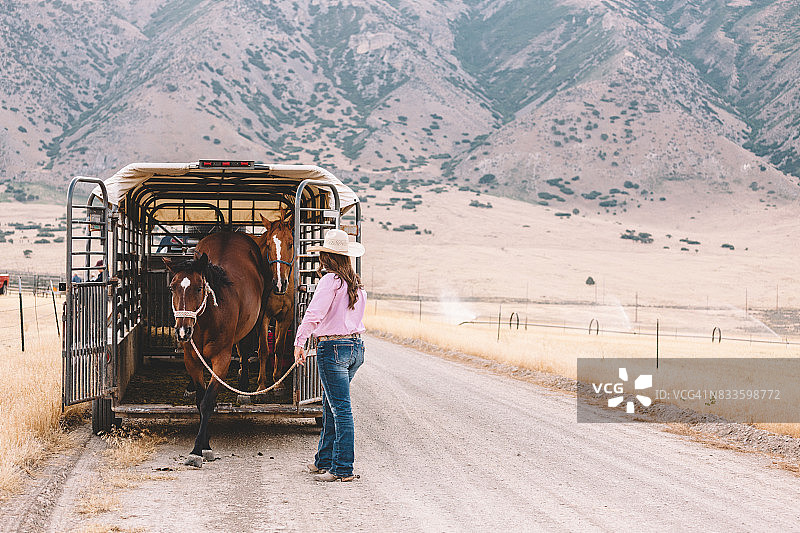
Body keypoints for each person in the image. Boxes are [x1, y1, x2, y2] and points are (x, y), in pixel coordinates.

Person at [294, 229, 366, 482]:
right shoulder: (355, 284)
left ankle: (342, 468)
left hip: (333, 348)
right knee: (330, 403)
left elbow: (314, 314)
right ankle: (324, 460)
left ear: (326, 256)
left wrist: (299, 342)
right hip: (356, 348)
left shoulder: (330, 281)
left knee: (340, 409)